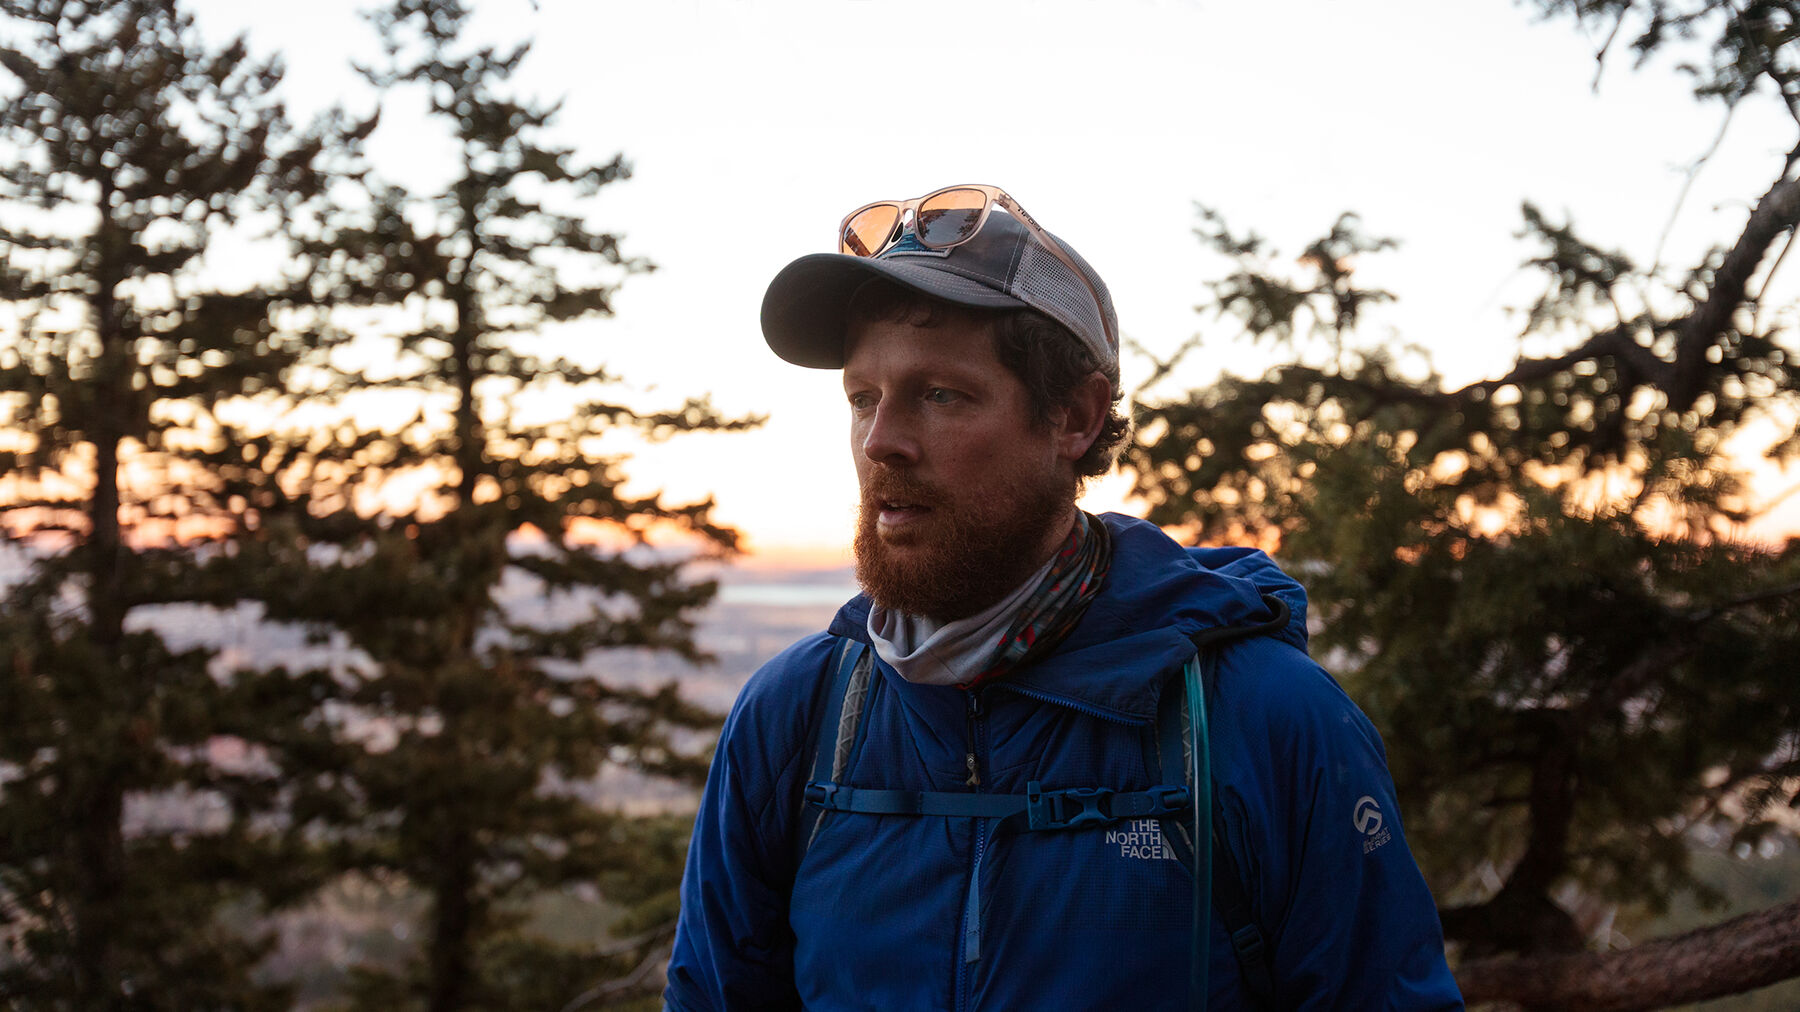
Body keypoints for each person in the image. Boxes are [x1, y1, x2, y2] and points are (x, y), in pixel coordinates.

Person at [663, 185, 1463, 1009]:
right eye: (863, 398)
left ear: (1075, 417)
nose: (882, 442)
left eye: (940, 395)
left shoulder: (1262, 721)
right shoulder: (797, 719)